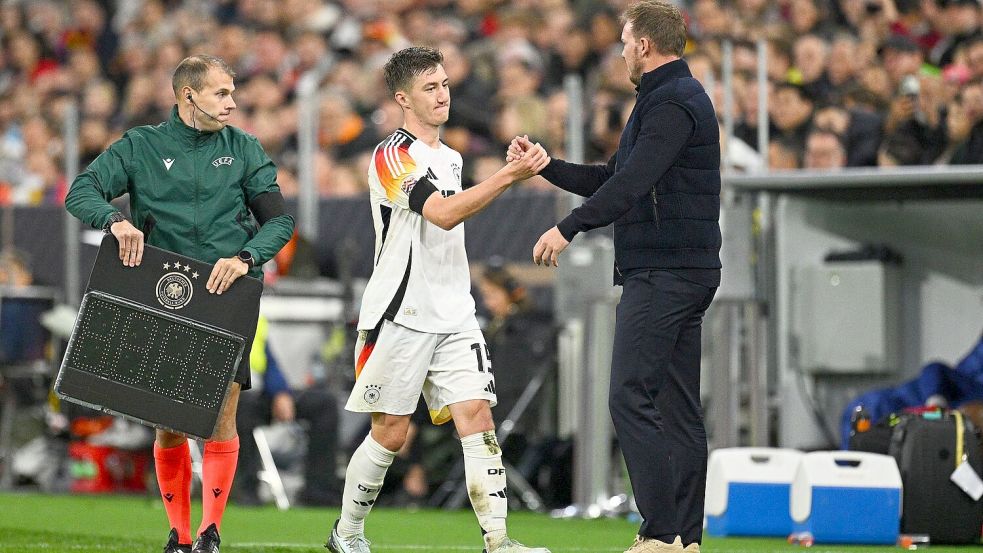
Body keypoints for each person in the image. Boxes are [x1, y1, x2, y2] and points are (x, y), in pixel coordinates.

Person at [508, 2, 721, 551]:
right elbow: (615, 177)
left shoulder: (672, 102)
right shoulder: (667, 99)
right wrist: (546, 166)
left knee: (630, 396)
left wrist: (568, 228)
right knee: (676, 407)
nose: (622, 51)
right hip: (677, 270)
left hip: (666, 272)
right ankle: (685, 539)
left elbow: (630, 185)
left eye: (626, 42)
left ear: (645, 45)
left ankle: (660, 533)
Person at [325, 46, 551, 553]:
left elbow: (455, 213)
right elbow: (443, 215)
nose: (444, 94)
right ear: (403, 99)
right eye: (431, 87)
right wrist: (507, 178)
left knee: (478, 416)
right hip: (401, 313)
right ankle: (347, 533)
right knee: (391, 433)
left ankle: (499, 540)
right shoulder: (391, 156)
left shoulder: (451, 157)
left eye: (446, 83)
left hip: (454, 311)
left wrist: (502, 173)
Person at [65, 54, 294, 553]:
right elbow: (81, 189)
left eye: (233, 92)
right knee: (167, 420)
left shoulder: (245, 149)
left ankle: (211, 531)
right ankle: (180, 535)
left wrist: (246, 256)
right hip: (163, 292)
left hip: (227, 291)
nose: (233, 102)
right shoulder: (142, 146)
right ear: (188, 95)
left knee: (221, 416)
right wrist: (115, 221)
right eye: (222, 93)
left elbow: (280, 221)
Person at [235, 316, 341, 507]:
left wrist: (280, 392)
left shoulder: (254, 315)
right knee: (243, 408)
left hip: (257, 394)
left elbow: (270, 362)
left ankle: (319, 491)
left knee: (325, 404)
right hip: (230, 397)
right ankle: (245, 489)